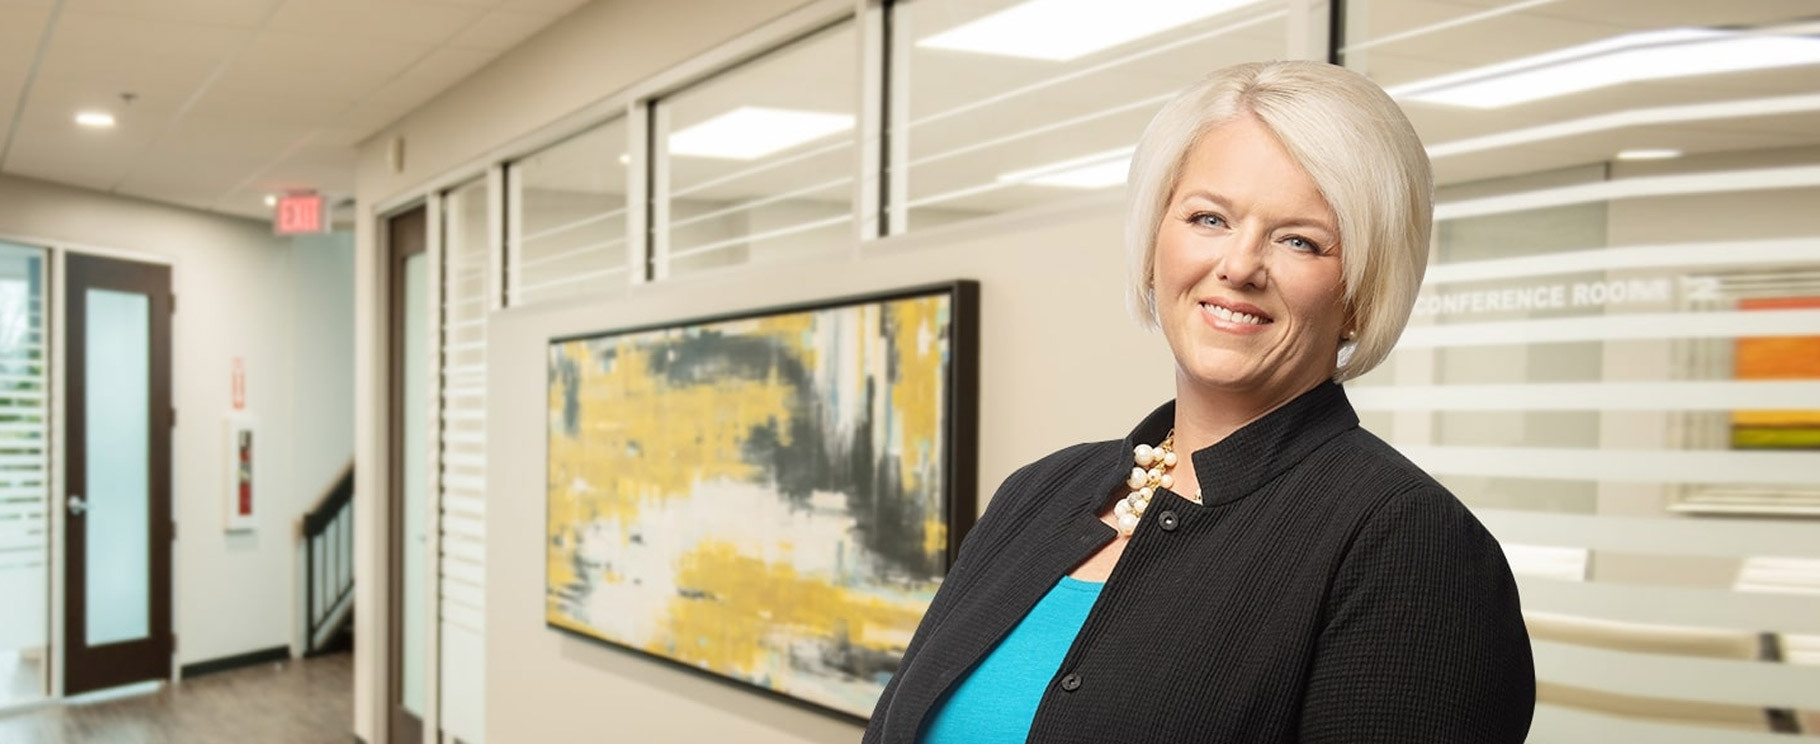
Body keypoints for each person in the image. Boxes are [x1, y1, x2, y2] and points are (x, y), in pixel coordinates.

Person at [861, 60, 1535, 744]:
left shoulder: (1410, 546)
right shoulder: (1039, 493)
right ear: (1156, 246)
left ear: (1361, 293)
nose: (1240, 266)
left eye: (1299, 239)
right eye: (1209, 218)